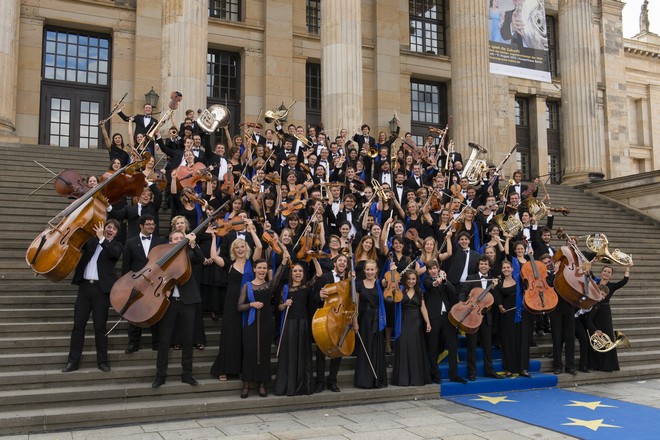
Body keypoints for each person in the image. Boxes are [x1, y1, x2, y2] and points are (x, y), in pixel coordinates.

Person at [62, 220, 122, 373]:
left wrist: (102, 239)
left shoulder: (116, 246)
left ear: (116, 233)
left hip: (101, 291)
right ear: (103, 227)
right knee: (78, 326)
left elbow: (112, 255)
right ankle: (72, 362)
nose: (110, 230)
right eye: (108, 227)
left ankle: (102, 361)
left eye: (114, 229)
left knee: (100, 327)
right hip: (84, 288)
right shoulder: (91, 242)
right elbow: (76, 243)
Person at [151, 229, 204, 388]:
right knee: (164, 340)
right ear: (170, 241)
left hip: (188, 301)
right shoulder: (163, 255)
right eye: (176, 238)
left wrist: (194, 245)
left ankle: (187, 374)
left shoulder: (190, 253)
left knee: (188, 340)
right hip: (168, 302)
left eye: (182, 237)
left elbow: (201, 260)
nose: (179, 240)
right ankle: (160, 375)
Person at [209, 238, 259, 381]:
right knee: (230, 334)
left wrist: (252, 230)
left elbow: (260, 246)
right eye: (237, 247)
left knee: (244, 336)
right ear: (233, 250)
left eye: (242, 246)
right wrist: (214, 237)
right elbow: (213, 256)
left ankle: (241, 368)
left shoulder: (252, 262)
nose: (240, 249)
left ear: (246, 248)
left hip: (247, 303)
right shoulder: (230, 264)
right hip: (231, 303)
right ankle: (224, 368)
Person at [237, 257, 286, 398]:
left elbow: (278, 275)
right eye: (259, 267)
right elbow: (239, 306)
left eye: (264, 268)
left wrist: (283, 261)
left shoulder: (269, 285)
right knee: (249, 353)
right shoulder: (247, 285)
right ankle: (246, 385)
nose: (262, 270)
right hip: (251, 324)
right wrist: (251, 304)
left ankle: (262, 385)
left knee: (264, 354)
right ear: (254, 269)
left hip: (266, 323)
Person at [274, 256, 322, 396]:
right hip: (289, 324)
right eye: (295, 271)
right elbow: (280, 308)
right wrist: (284, 304)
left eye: (300, 271)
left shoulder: (306, 286)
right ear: (291, 273)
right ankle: (287, 385)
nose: (298, 273)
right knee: (289, 354)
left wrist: (313, 259)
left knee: (302, 355)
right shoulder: (285, 288)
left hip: (303, 324)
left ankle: (302, 386)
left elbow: (318, 274)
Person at [121, 215, 166, 354]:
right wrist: (127, 284)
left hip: (154, 283)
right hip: (137, 282)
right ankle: (133, 343)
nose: (151, 226)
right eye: (148, 224)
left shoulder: (160, 242)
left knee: (155, 311)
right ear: (140, 226)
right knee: (135, 312)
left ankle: (157, 343)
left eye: (153, 224)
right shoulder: (130, 242)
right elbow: (126, 266)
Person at [422, 260, 466, 384]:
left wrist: (445, 281)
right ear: (428, 271)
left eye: (435, 268)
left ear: (438, 268)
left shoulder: (444, 280)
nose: (433, 271)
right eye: (430, 269)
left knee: (453, 345)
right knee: (433, 347)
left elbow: (453, 291)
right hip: (433, 318)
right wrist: (437, 282)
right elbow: (431, 285)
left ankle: (454, 374)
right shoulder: (426, 280)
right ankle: (435, 374)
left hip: (447, 318)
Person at [461, 255, 502, 381]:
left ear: (489, 266)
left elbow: (496, 300)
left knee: (487, 345)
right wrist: (463, 303)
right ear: (478, 265)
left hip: (486, 316)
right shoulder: (471, 278)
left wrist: (494, 288)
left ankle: (489, 370)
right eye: (481, 264)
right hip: (472, 316)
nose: (483, 266)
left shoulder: (492, 280)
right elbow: (463, 293)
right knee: (471, 345)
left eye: (486, 264)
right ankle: (472, 372)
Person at [313, 254, 349, 393]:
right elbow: (314, 296)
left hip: (341, 317)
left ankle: (332, 381)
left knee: (339, 348)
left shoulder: (348, 279)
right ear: (335, 263)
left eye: (345, 261)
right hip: (326, 317)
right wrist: (320, 296)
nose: (342, 263)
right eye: (340, 260)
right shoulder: (325, 277)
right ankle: (320, 381)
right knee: (321, 349)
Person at [390, 271, 432, 386]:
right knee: (403, 346)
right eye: (409, 279)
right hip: (403, 321)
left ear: (416, 280)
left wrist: (427, 322)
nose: (411, 281)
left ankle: (416, 378)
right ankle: (403, 378)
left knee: (415, 349)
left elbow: (423, 308)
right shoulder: (401, 290)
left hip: (416, 322)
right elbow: (392, 298)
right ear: (405, 279)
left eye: (413, 279)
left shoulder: (419, 292)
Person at [589, 265, 630, 372]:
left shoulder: (611, 286)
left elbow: (624, 281)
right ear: (601, 272)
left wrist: (627, 268)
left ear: (611, 275)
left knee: (606, 336)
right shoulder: (595, 282)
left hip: (605, 313)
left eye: (609, 272)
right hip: (593, 311)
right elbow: (588, 271)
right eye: (605, 271)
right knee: (595, 337)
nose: (606, 273)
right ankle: (595, 364)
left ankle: (607, 365)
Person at [354, 259, 388, 389]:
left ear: (376, 271)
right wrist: (355, 322)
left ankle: (377, 378)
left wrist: (392, 269)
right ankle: (365, 380)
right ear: (364, 271)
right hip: (363, 320)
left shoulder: (380, 283)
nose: (369, 272)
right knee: (365, 348)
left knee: (377, 347)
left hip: (377, 319)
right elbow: (355, 305)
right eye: (367, 269)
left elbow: (389, 281)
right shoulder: (358, 284)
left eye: (372, 269)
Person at [542, 253, 577, 375]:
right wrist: (556, 272)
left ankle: (570, 366)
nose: (548, 264)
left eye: (549, 262)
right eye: (545, 263)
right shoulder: (545, 276)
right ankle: (557, 366)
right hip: (555, 309)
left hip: (568, 307)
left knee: (570, 338)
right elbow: (550, 286)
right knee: (556, 338)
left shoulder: (565, 272)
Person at [496, 259, 532, 377]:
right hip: (508, 316)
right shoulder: (499, 283)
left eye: (508, 267)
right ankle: (510, 368)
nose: (506, 269)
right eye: (504, 268)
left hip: (521, 314)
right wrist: (500, 306)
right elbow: (499, 298)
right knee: (509, 341)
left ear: (512, 269)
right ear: (502, 270)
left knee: (522, 340)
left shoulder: (519, 280)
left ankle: (523, 368)